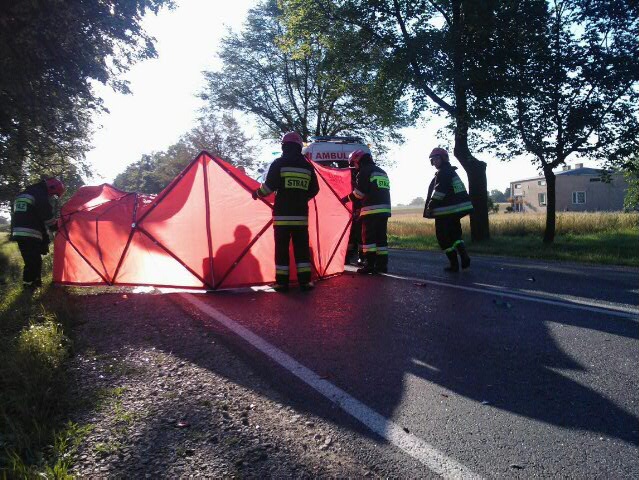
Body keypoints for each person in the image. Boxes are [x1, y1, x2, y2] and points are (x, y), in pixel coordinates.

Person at [252, 132, 319, 292]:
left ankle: (282, 283)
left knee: (281, 250)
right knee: (302, 250)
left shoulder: (279, 163)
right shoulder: (307, 166)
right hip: (301, 217)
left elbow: (268, 188)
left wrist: (257, 193)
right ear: (298, 147)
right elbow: (315, 189)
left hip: (282, 217)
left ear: (284, 146)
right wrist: (301, 197)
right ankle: (305, 282)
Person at [341, 150, 391, 274]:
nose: (354, 166)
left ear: (358, 160)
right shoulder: (382, 171)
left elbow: (359, 194)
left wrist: (345, 199)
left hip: (371, 211)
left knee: (368, 240)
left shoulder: (364, 172)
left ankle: (369, 265)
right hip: (384, 210)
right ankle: (381, 266)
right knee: (381, 240)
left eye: (354, 163)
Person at [423, 148, 473, 272]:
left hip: (445, 212)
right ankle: (464, 256)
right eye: (433, 159)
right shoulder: (450, 171)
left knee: (443, 238)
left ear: (443, 159)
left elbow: (439, 192)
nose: (434, 161)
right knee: (455, 235)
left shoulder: (443, 172)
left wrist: (431, 206)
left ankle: (454, 264)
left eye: (436, 158)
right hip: (455, 211)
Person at [10, 178, 65, 290]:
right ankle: (29, 287)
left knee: (32, 259)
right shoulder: (39, 195)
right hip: (30, 234)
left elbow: (35, 217)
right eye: (53, 194)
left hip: (19, 233)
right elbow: (46, 216)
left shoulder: (25, 193)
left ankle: (35, 283)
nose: (51, 197)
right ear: (51, 187)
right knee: (32, 261)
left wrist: (44, 239)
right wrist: (56, 226)